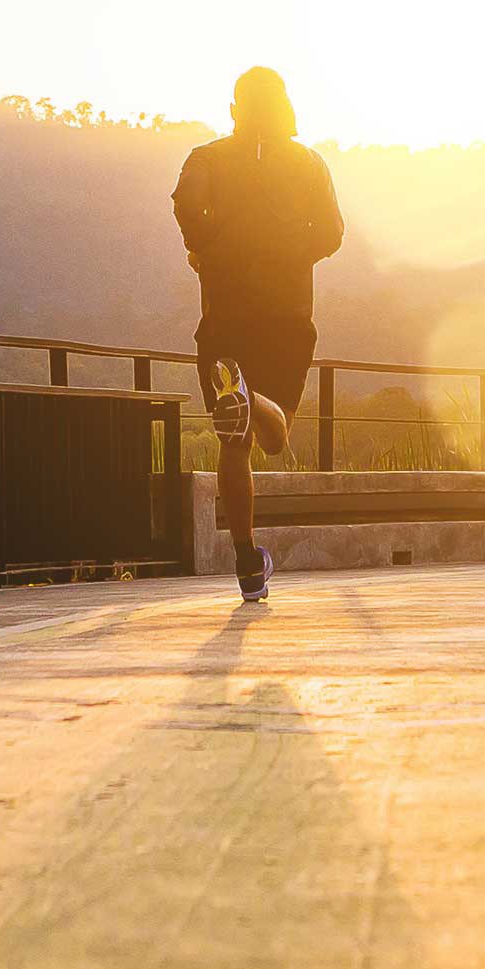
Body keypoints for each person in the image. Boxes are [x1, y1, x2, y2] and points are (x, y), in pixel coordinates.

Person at [171, 66, 345, 603]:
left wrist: (206, 247)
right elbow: (333, 233)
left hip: (225, 318)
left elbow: (183, 204)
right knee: (274, 437)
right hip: (288, 317)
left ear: (234, 109)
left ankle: (248, 563)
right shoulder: (310, 163)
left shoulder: (207, 157)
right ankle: (257, 402)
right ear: (285, 106)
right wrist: (293, 254)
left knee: (234, 444)